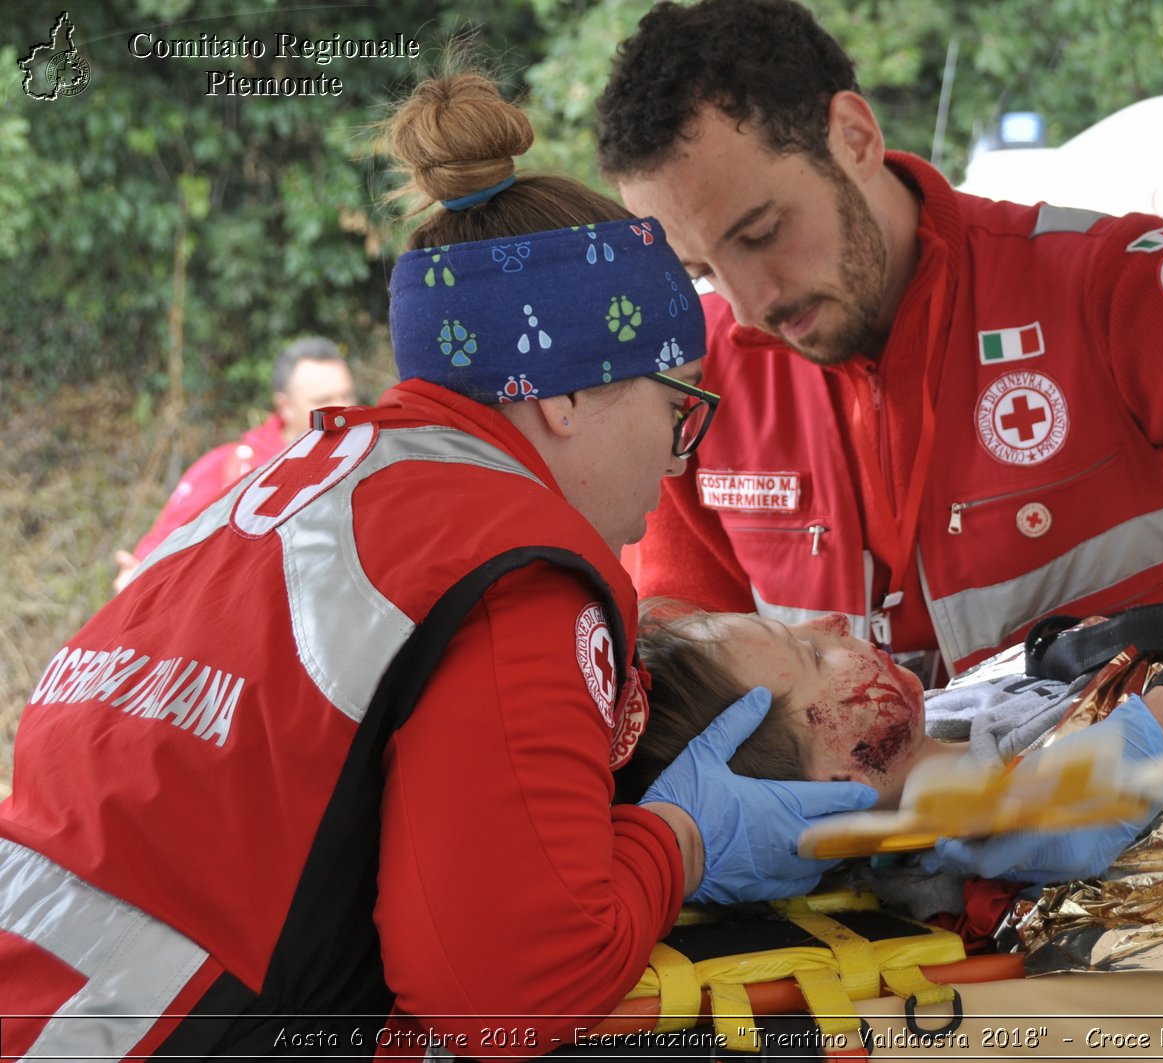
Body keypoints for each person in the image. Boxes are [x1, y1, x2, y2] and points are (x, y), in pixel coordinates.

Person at [0, 71, 875, 1060]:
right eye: (673, 407)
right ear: (564, 395)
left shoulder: (295, 490)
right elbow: (511, 989)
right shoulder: (512, 567)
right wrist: (681, 837)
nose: (680, 455)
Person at [594, 0, 1163, 880]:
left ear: (854, 136)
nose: (751, 302)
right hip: (887, 933)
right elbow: (679, 658)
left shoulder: (1097, 280)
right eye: (705, 270)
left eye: (762, 233)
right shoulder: (708, 382)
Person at [113, 337, 358, 592]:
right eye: (324, 400)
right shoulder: (232, 467)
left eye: (348, 395)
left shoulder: (380, 461)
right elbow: (161, 553)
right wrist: (138, 575)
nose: (345, 410)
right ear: (285, 406)